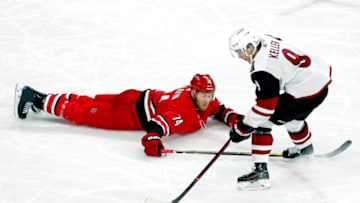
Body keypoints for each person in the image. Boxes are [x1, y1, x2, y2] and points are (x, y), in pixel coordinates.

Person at [15, 74, 242, 157]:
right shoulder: (180, 111)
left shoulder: (203, 101)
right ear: (193, 92)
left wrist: (235, 119)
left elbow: (219, 110)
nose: (207, 99)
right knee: (82, 113)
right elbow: (156, 126)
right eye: (203, 94)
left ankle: (45, 98)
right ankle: (35, 99)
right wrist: (152, 141)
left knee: (89, 101)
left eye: (209, 94)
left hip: (135, 97)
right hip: (127, 114)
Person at [228, 27, 332, 189]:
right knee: (293, 119)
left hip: (303, 94)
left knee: (263, 123)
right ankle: (306, 150)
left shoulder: (263, 70)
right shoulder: (265, 39)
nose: (239, 56)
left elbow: (265, 108)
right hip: (320, 84)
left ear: (250, 46)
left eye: (240, 51)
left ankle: (260, 173)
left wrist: (243, 128)